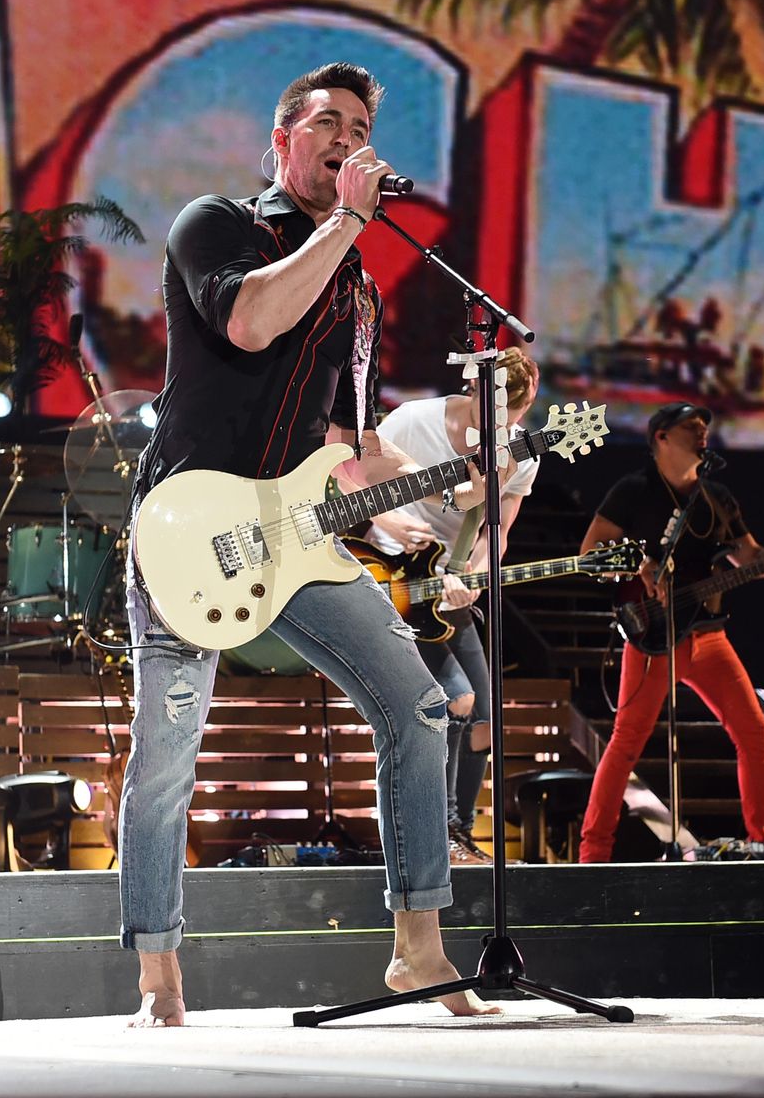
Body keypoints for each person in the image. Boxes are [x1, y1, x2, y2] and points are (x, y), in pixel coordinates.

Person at [119, 62, 507, 1026]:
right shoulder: (216, 223)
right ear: (282, 139)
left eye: (360, 127)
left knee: (419, 706)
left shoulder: (359, 291)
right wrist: (345, 225)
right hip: (190, 524)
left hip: (293, 538)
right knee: (168, 752)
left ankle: (419, 951)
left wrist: (427, 497)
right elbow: (249, 323)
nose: (346, 138)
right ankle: (159, 975)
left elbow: (351, 445)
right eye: (328, 122)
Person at [577, 401, 764, 863]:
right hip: (652, 638)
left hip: (708, 636)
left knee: (755, 734)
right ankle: (593, 854)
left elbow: (750, 559)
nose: (703, 432)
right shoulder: (634, 490)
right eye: (691, 426)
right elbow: (590, 552)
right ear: (661, 436)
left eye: (706, 425)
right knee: (626, 743)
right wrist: (642, 565)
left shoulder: (717, 497)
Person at [366, 348, 540, 864]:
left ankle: (460, 835)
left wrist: (475, 578)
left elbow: (495, 532)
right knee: (456, 700)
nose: (500, 429)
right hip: (395, 578)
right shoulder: (414, 420)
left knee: (486, 718)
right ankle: (438, 835)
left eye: (512, 418)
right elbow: (355, 478)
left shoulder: (521, 455)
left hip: (448, 586)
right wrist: (392, 523)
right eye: (494, 414)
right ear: (475, 390)